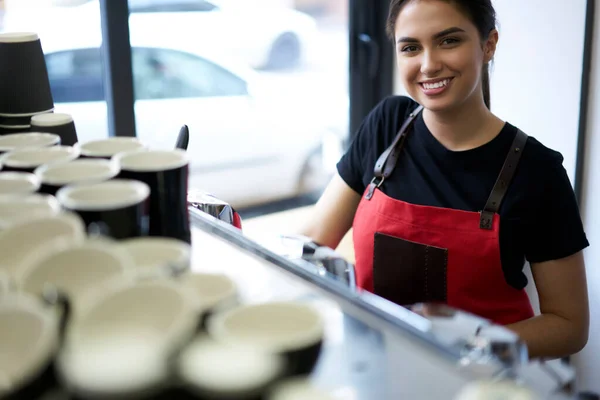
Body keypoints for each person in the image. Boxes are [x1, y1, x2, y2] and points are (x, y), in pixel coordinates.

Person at [301, 0, 590, 359]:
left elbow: (568, 325)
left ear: (489, 44)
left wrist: (468, 344)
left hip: (484, 382)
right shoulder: (387, 125)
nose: (428, 64)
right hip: (377, 363)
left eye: (448, 41)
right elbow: (311, 242)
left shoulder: (537, 172)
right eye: (410, 47)